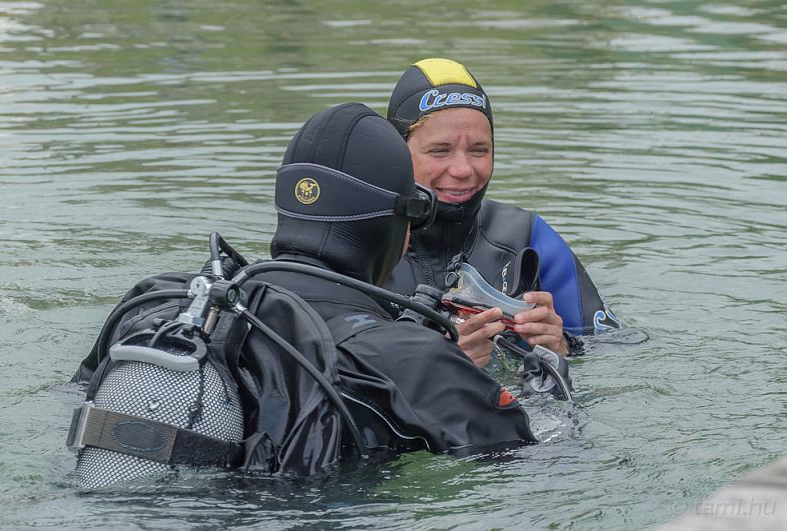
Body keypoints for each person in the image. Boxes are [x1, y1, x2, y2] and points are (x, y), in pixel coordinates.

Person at [69, 103, 535, 488]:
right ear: (397, 223)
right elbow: (527, 466)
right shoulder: (415, 358)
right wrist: (530, 371)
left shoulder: (161, 302)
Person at [385, 58, 620, 367]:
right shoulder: (362, 245)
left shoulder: (527, 238)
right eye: (439, 151)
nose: (463, 169)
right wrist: (439, 366)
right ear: (396, 152)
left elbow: (618, 353)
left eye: (479, 150)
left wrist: (564, 347)